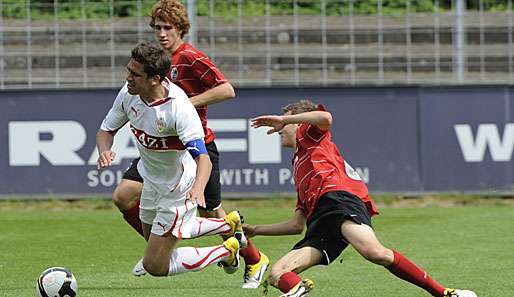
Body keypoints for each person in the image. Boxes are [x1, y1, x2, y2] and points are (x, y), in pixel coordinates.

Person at [246, 100, 478, 297]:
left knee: (374, 252)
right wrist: (256, 229)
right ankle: (298, 290)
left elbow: (325, 117)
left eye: (284, 122)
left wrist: (285, 119)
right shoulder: (297, 164)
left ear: (298, 122)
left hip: (339, 201)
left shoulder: (311, 135)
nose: (278, 129)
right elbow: (297, 225)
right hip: (320, 223)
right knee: (278, 273)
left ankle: (445, 293)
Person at [112, 0, 268, 289]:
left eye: (168, 28)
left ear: (181, 29)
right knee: (124, 195)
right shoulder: (154, 61)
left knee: (212, 213)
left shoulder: (191, 57)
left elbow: (226, 89)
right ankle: (157, 253)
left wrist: (183, 104)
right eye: (157, 27)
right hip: (160, 147)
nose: (161, 33)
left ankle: (255, 259)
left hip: (194, 147)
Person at [97, 41, 247, 280]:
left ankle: (225, 251)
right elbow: (106, 131)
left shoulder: (179, 109)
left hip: (177, 187)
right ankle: (227, 225)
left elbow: (203, 158)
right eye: (128, 70)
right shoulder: (128, 94)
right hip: (150, 179)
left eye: (135, 74)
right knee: (153, 238)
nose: (128, 78)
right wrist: (104, 150)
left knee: (155, 265)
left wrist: (198, 189)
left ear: (155, 79)